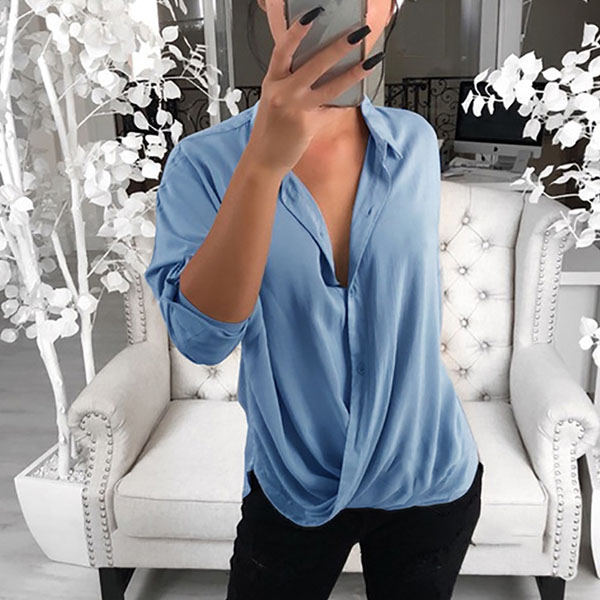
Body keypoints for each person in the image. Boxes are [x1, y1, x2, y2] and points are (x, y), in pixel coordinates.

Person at [144, 1, 484, 598]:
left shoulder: (413, 143)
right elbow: (201, 341)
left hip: (427, 470)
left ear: (391, 6)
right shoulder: (203, 164)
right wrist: (261, 167)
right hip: (294, 482)